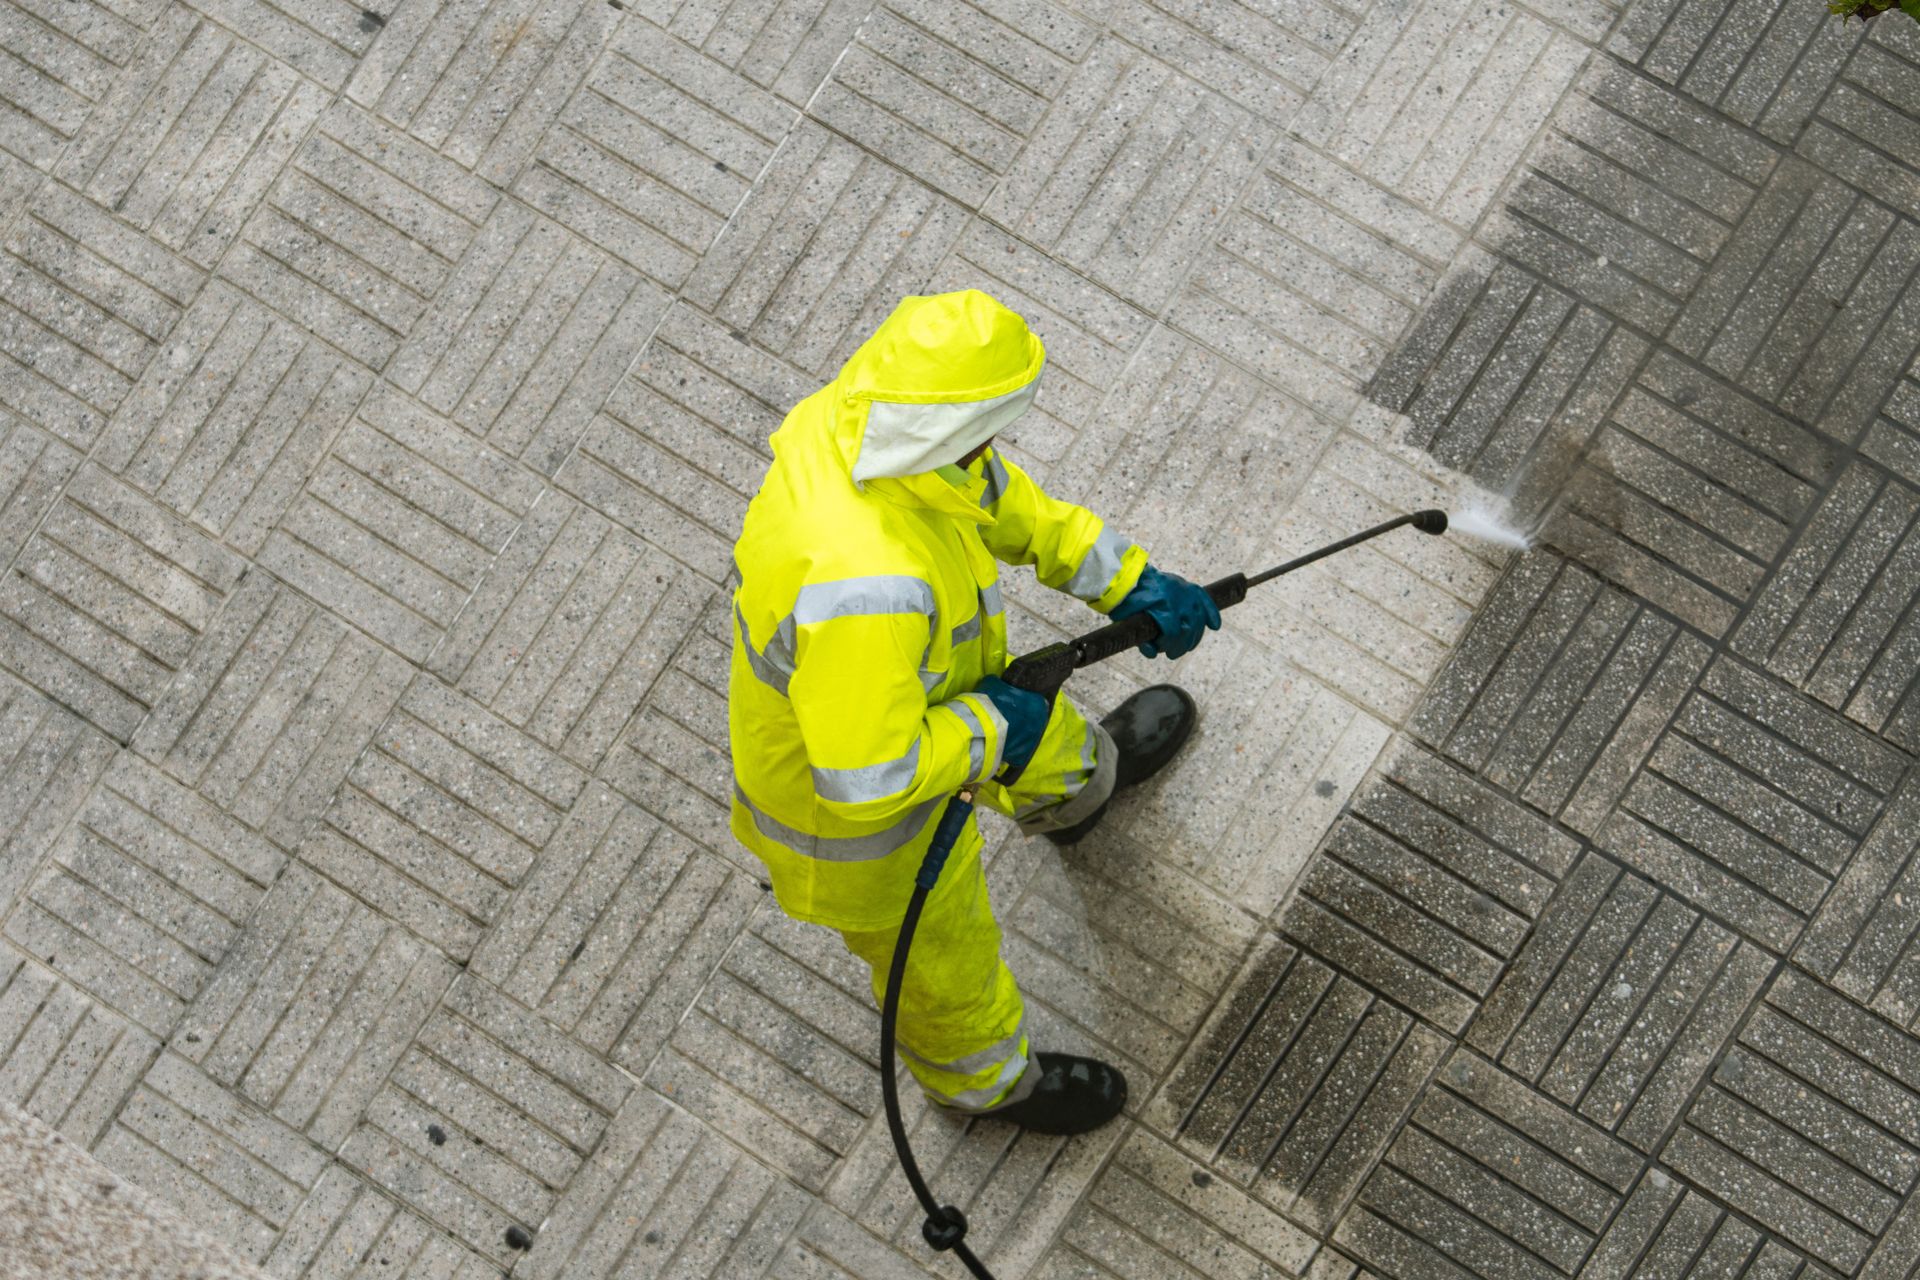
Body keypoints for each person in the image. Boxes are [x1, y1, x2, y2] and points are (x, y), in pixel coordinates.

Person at [727, 290, 1220, 1135]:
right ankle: (986, 1085)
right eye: (986, 428)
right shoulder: (863, 587)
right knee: (941, 963)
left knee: (1047, 734)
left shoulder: (872, 428)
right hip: (868, 834)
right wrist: (995, 729)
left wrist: (1119, 576)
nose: (994, 447)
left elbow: (991, 496)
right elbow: (868, 775)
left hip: (937, 694)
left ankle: (1076, 798)